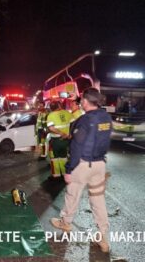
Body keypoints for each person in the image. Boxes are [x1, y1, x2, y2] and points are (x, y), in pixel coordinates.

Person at [50, 88, 112, 253]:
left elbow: (76, 146)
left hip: (82, 165)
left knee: (72, 195)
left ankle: (66, 222)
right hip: (100, 165)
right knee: (98, 200)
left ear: (85, 101)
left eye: (82, 100)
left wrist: (69, 169)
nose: (81, 103)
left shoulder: (85, 120)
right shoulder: (106, 117)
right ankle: (103, 237)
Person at [46, 100, 74, 177]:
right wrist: (69, 134)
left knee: (55, 157)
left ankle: (57, 175)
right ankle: (65, 173)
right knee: (64, 156)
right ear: (59, 106)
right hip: (66, 140)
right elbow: (73, 124)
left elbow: (51, 128)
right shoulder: (67, 113)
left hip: (56, 140)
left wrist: (61, 133)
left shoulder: (51, 115)